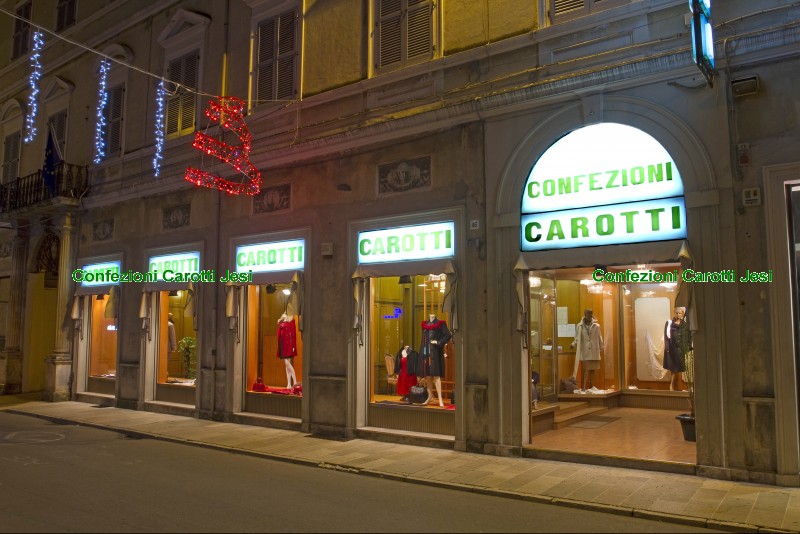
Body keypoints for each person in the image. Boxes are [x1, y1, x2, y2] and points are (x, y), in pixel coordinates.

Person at [418, 314, 451, 407]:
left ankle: (440, 398)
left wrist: (438, 342)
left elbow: (448, 335)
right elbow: (423, 340)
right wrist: (422, 353)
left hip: (435, 353)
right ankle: (430, 396)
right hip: (426, 354)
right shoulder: (425, 324)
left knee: (436, 376)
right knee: (428, 376)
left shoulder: (440, 323)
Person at [571, 309, 602, 392]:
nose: (589, 317)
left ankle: (592, 386)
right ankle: (584, 387)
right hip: (585, 351)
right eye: (588, 315)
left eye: (591, 315)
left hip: (595, 351)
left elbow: (599, 337)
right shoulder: (579, 326)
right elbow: (577, 337)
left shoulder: (596, 326)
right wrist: (573, 344)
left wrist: (601, 347)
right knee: (586, 370)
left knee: (593, 370)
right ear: (585, 315)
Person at [664, 306, 691, 391]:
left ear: (682, 314)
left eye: (680, 313)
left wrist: (688, 347)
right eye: (677, 313)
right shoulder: (669, 324)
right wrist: (667, 348)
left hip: (681, 349)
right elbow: (666, 336)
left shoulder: (685, 325)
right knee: (674, 367)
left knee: (678, 368)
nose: (678, 314)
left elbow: (689, 336)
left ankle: (676, 386)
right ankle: (672, 385)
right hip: (672, 348)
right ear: (674, 313)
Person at [277, 309, 299, 389]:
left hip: (289, 344)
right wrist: (281, 320)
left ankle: (295, 381)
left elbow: (293, 333)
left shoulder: (291, 321)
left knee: (287, 363)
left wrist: (293, 346)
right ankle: (289, 384)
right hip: (282, 344)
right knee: (287, 364)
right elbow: (278, 333)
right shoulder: (281, 322)